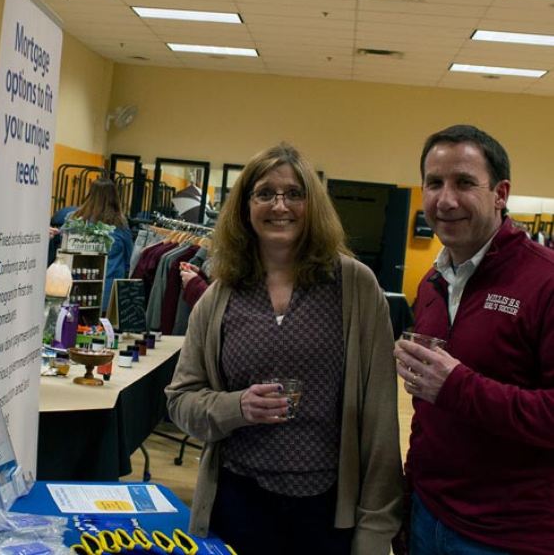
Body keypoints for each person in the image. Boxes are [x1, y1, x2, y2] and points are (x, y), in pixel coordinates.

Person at [165, 142, 403, 554]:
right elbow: (181, 400)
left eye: (295, 193)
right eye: (265, 193)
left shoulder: (355, 287)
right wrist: (236, 407)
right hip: (237, 502)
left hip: (327, 510)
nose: (280, 205)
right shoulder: (219, 294)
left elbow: (381, 420)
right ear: (245, 207)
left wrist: (376, 530)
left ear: (313, 206)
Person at [394, 125, 554, 555]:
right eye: (434, 183)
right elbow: (429, 412)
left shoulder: (546, 280)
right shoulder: (432, 282)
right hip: (428, 516)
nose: (445, 200)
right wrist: (409, 499)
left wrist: (458, 386)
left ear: (500, 193)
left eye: (464, 182)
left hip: (508, 535)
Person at [68, 178, 133, 311]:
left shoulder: (74, 219)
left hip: (76, 285)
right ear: (115, 198)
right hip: (108, 291)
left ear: (90, 195)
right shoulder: (120, 224)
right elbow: (129, 258)